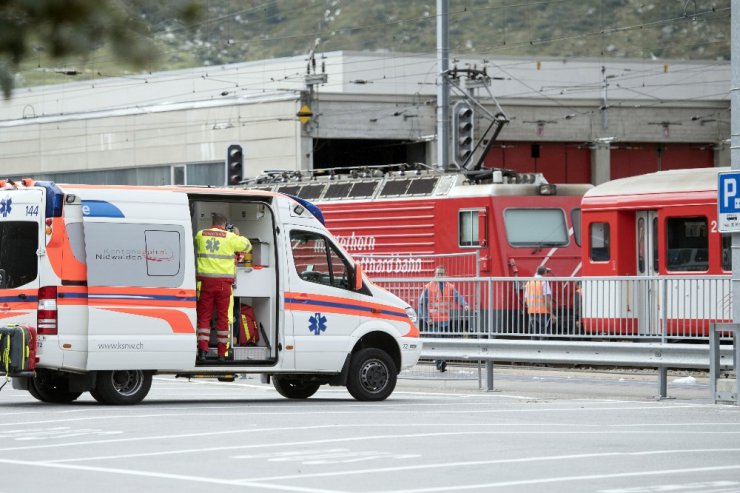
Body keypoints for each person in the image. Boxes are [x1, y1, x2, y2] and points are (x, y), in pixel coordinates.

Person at [194, 213, 251, 362]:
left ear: (212, 222)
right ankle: (221, 354)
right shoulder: (230, 237)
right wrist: (237, 234)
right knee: (223, 319)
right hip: (223, 285)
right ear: (225, 224)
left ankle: (202, 352)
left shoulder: (201, 235)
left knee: (204, 318)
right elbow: (247, 245)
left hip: (205, 283)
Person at [418, 265, 469, 372]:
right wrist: (427, 318)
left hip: (445, 321)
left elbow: (458, 297)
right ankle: (440, 363)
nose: (440, 275)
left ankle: (441, 362)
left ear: (445, 274)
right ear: (435, 274)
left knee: (444, 343)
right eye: (438, 274)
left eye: (441, 273)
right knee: (438, 343)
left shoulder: (449, 287)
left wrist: (464, 304)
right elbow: (421, 303)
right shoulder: (429, 287)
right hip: (434, 321)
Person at [524, 265, 555, 337]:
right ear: (544, 272)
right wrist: (552, 315)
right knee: (544, 333)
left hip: (532, 312)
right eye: (546, 272)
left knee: (534, 333)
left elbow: (525, 300)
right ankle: (543, 348)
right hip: (543, 312)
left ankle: (534, 348)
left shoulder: (529, 282)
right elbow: (547, 300)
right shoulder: (543, 282)